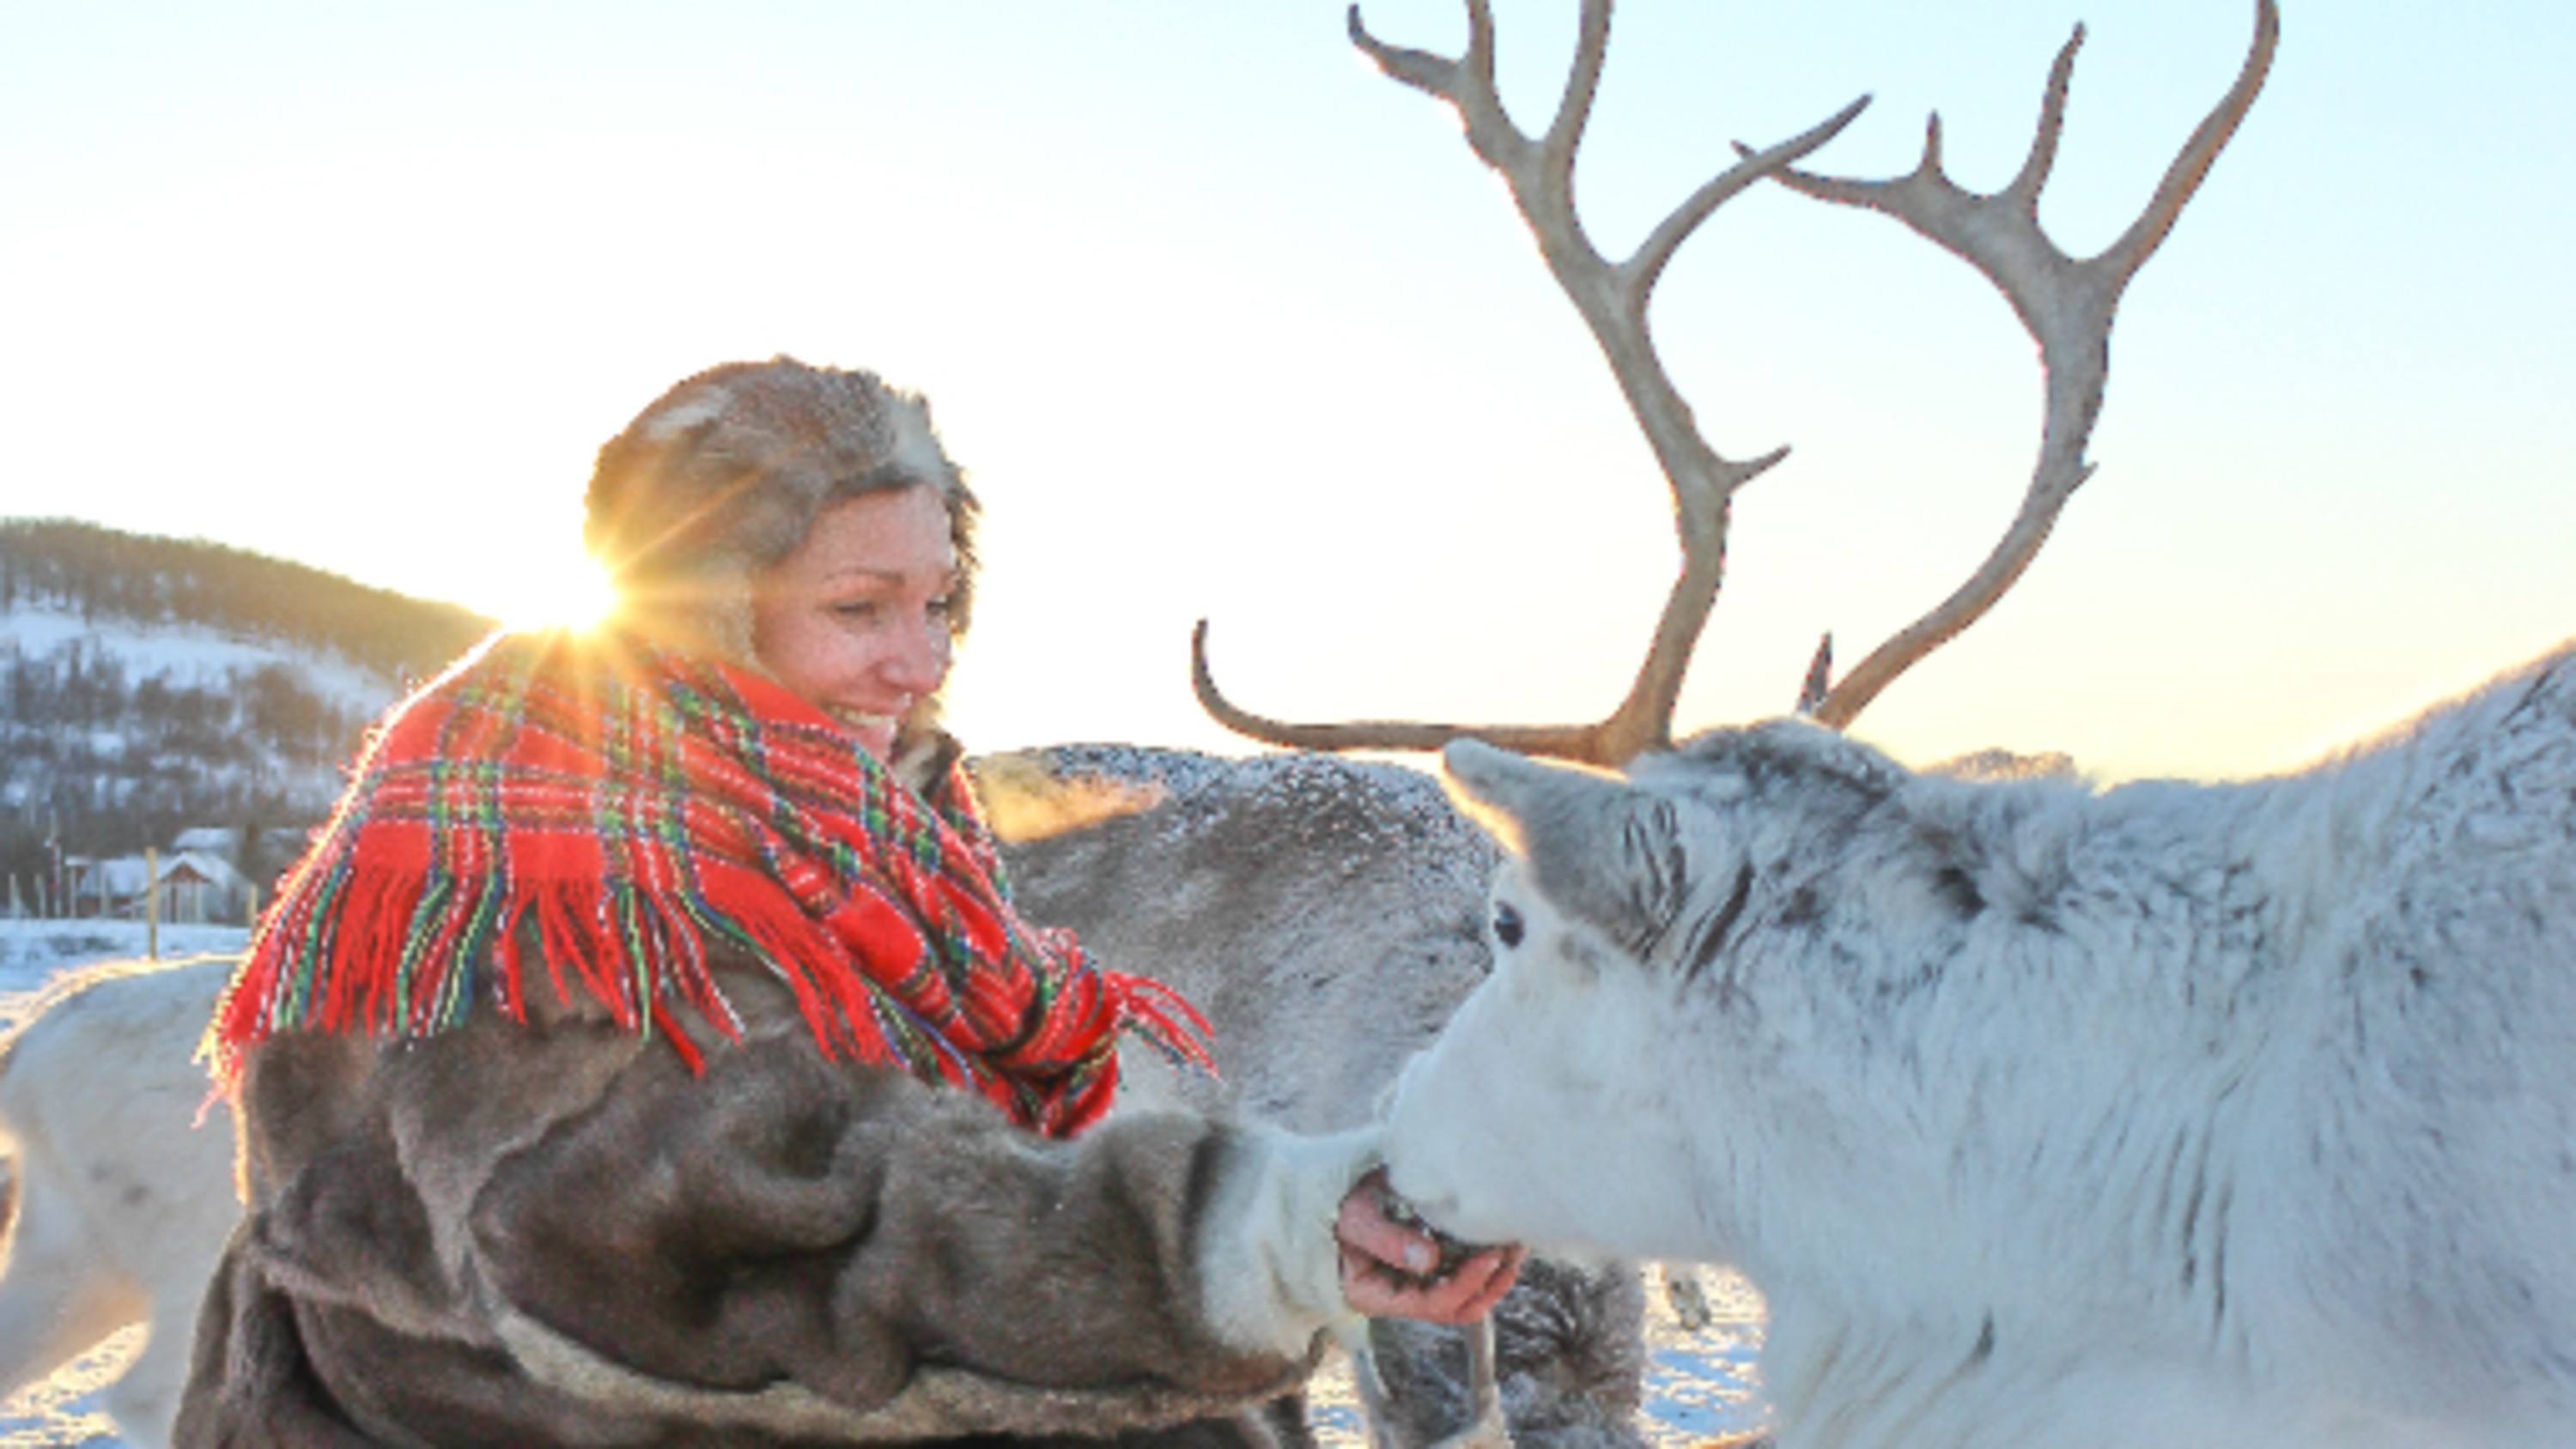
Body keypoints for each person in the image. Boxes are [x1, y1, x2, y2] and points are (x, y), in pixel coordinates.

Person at [175, 358, 1521, 1447]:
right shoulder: (547, 865)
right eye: (861, 608)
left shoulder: (859, 833)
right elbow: (773, 1224)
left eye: (939, 604)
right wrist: (1250, 1236)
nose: (919, 662)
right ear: (705, 612)